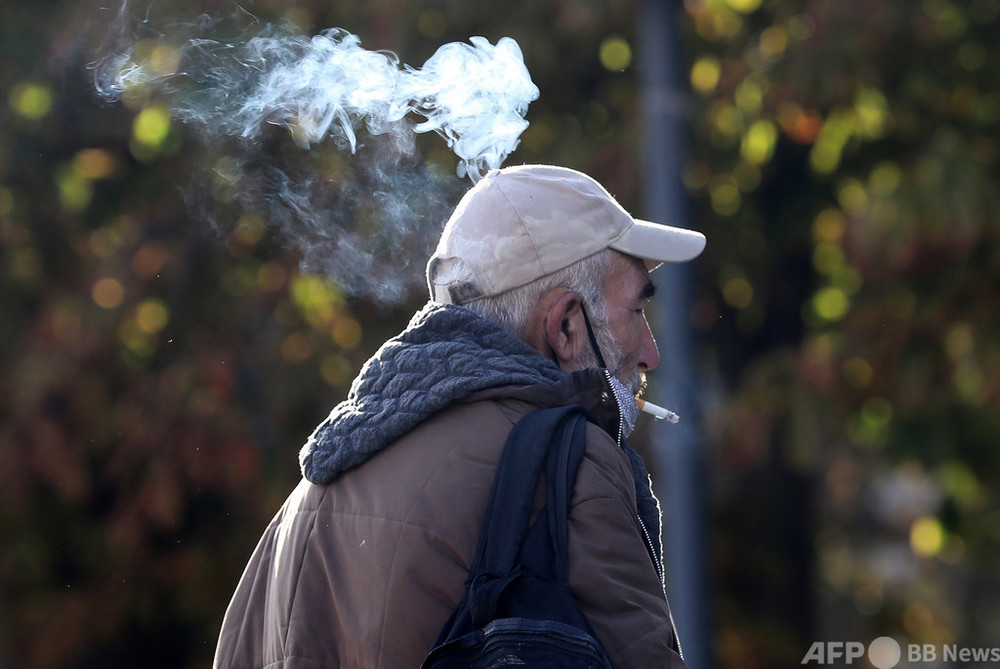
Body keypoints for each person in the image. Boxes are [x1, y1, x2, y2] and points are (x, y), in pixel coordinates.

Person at [213, 164, 705, 669]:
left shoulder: (306, 501)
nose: (650, 353)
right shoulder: (569, 468)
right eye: (637, 312)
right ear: (565, 326)